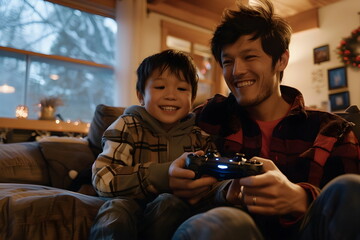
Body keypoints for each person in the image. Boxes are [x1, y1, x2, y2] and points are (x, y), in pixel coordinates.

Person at [168, 0, 360, 239]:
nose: (236, 71)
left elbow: (345, 207)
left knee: (352, 188)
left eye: (250, 56)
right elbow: (151, 140)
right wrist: (172, 172)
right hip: (230, 228)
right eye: (228, 61)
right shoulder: (206, 117)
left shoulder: (332, 130)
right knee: (224, 222)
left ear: (281, 60)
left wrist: (300, 198)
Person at [89, 49, 219, 240]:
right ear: (140, 95)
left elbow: (214, 182)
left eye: (182, 89)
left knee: (170, 204)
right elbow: (103, 178)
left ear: (192, 98)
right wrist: (161, 175)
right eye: (160, 87)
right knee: (115, 211)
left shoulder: (200, 136)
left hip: (174, 209)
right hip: (129, 203)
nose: (171, 96)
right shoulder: (128, 125)